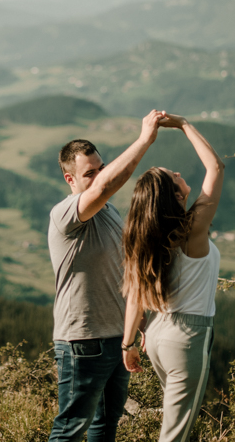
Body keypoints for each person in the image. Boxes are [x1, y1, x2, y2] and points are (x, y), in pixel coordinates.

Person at [47, 109, 167, 442]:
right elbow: (103, 187)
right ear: (70, 179)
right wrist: (145, 140)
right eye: (90, 173)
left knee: (106, 425)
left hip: (117, 339)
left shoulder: (110, 211)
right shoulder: (66, 214)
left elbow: (122, 272)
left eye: (100, 168)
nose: (99, 176)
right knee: (70, 429)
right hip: (83, 341)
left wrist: (137, 324)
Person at [120, 113, 225, 442]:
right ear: (175, 194)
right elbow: (216, 168)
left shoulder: (149, 241)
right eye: (174, 175)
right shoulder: (192, 230)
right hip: (188, 336)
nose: (179, 172)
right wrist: (183, 125)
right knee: (175, 435)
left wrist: (128, 344)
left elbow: (135, 297)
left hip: (158, 335)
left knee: (179, 424)